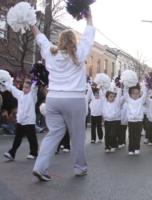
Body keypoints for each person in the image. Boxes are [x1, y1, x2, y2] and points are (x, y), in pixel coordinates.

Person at [31, 8, 95, 181]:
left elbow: (39, 38)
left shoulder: (51, 52)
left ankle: (40, 167)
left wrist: (30, 22)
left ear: (59, 41)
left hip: (53, 99)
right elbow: (89, 35)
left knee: (53, 134)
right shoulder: (80, 53)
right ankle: (80, 168)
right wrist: (88, 16)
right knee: (78, 135)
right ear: (74, 41)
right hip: (74, 99)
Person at [3, 81, 38, 161]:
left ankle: (33, 153)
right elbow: (13, 89)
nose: (24, 89)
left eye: (26, 87)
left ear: (30, 88)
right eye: (24, 87)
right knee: (17, 138)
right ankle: (12, 153)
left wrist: (35, 81)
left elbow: (34, 88)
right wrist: (5, 83)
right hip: (20, 121)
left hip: (29, 121)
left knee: (31, 138)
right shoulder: (20, 94)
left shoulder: (32, 96)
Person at [124, 84, 147, 155]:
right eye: (134, 93)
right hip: (131, 121)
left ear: (139, 94)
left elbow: (145, 94)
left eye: (137, 93)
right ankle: (131, 149)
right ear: (130, 94)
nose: (135, 95)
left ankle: (137, 148)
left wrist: (146, 86)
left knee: (137, 135)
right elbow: (125, 93)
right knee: (131, 136)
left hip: (139, 121)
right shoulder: (128, 100)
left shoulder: (141, 100)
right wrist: (126, 84)